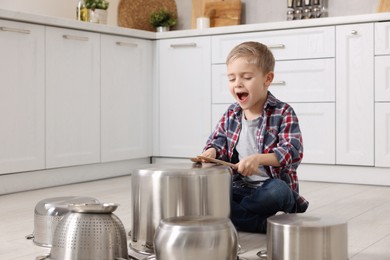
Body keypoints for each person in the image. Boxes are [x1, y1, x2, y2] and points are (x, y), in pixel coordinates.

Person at [200, 41, 309, 233]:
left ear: (267, 79)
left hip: (271, 188)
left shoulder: (283, 112)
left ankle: (232, 217)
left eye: (246, 77)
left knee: (278, 191)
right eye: (232, 79)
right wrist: (212, 151)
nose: (238, 84)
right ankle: (262, 223)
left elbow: (292, 151)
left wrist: (258, 159)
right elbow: (219, 140)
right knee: (207, 194)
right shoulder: (231, 113)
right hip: (241, 188)